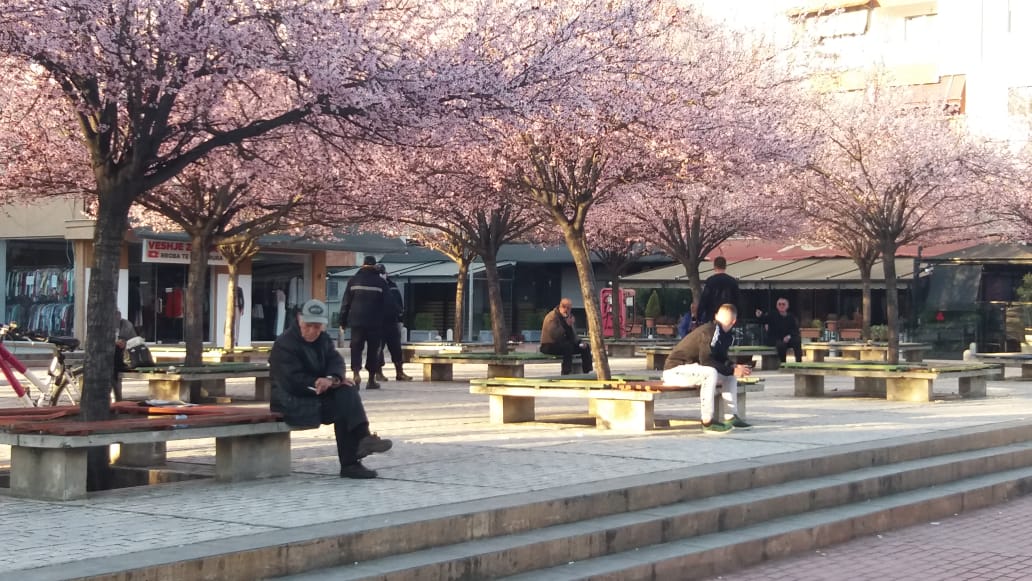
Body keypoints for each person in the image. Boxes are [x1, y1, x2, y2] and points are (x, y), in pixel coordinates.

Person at [270, 299, 393, 479]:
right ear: (299, 319)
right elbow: (291, 381)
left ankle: (358, 450)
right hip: (290, 401)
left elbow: (336, 361)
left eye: (318, 327)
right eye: (309, 326)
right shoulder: (285, 344)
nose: (313, 331)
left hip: (316, 397)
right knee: (344, 404)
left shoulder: (324, 340)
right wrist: (317, 382)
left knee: (347, 391)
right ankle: (357, 450)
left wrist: (333, 379)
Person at [662, 303, 752, 433]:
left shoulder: (725, 334)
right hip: (675, 371)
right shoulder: (710, 331)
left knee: (730, 377)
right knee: (710, 373)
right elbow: (707, 361)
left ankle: (730, 416)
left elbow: (720, 358)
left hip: (693, 370)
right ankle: (707, 421)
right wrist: (732, 369)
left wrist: (733, 367)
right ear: (733, 321)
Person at [340, 255, 388, 389]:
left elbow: (346, 303)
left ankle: (356, 373)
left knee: (356, 348)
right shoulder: (381, 283)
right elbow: (388, 304)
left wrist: (342, 322)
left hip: (356, 321)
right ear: (375, 266)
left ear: (363, 265)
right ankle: (371, 379)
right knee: (373, 350)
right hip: (375, 322)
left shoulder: (353, 281)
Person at [374, 264, 412, 382]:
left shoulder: (392, 286)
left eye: (382, 272)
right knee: (378, 349)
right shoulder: (374, 286)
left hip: (392, 322)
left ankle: (399, 372)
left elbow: (398, 302)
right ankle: (378, 373)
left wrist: (400, 318)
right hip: (377, 323)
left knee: (396, 348)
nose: (381, 274)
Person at [539, 298, 593, 375]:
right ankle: (566, 372)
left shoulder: (568, 317)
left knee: (585, 347)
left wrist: (580, 342)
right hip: (549, 345)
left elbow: (573, 335)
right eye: (568, 309)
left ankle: (587, 371)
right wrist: (566, 325)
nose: (569, 311)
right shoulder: (552, 317)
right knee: (568, 347)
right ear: (564, 308)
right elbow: (555, 335)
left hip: (565, 344)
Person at [756, 297, 803, 363]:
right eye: (779, 304)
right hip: (775, 339)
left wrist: (789, 336)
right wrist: (759, 316)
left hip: (787, 338)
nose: (781, 306)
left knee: (797, 340)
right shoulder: (772, 315)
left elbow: (795, 330)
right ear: (777, 306)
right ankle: (783, 363)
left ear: (787, 306)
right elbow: (763, 320)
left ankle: (799, 362)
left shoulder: (791, 317)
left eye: (783, 304)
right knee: (781, 345)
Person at [697, 256, 740, 325]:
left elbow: (704, 299)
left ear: (714, 266)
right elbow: (737, 300)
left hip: (712, 316)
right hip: (728, 317)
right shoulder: (732, 281)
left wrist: (699, 316)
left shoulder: (710, 281)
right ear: (725, 266)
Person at [112, 310, 136, 401]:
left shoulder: (126, 326)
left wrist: (125, 343)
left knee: (116, 377)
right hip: (106, 358)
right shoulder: (102, 325)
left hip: (117, 359)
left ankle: (118, 401)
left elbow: (134, 342)